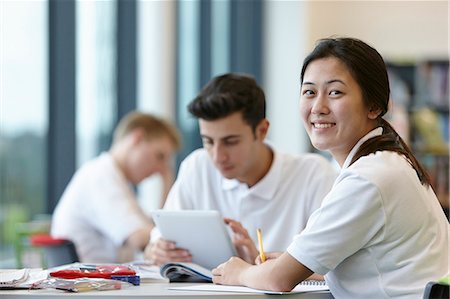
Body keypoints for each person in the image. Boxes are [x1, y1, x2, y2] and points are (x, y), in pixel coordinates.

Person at [211, 38, 450, 298]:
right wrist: (299, 263)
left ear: (374, 106)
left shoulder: (370, 178)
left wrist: (240, 272)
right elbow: (382, 266)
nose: (318, 107)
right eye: (309, 92)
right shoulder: (387, 161)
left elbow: (279, 280)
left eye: (335, 92)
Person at [145, 73, 337, 266]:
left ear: (262, 131)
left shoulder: (314, 175)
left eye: (230, 142)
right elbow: (156, 243)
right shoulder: (197, 167)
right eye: (208, 141)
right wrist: (159, 251)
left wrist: (259, 268)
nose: (218, 156)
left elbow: (332, 268)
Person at [51, 111, 181, 263]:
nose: (162, 169)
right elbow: (141, 238)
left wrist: (166, 184)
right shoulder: (101, 176)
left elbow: (154, 230)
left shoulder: (117, 181)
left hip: (98, 280)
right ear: (137, 139)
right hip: (90, 281)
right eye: (159, 156)